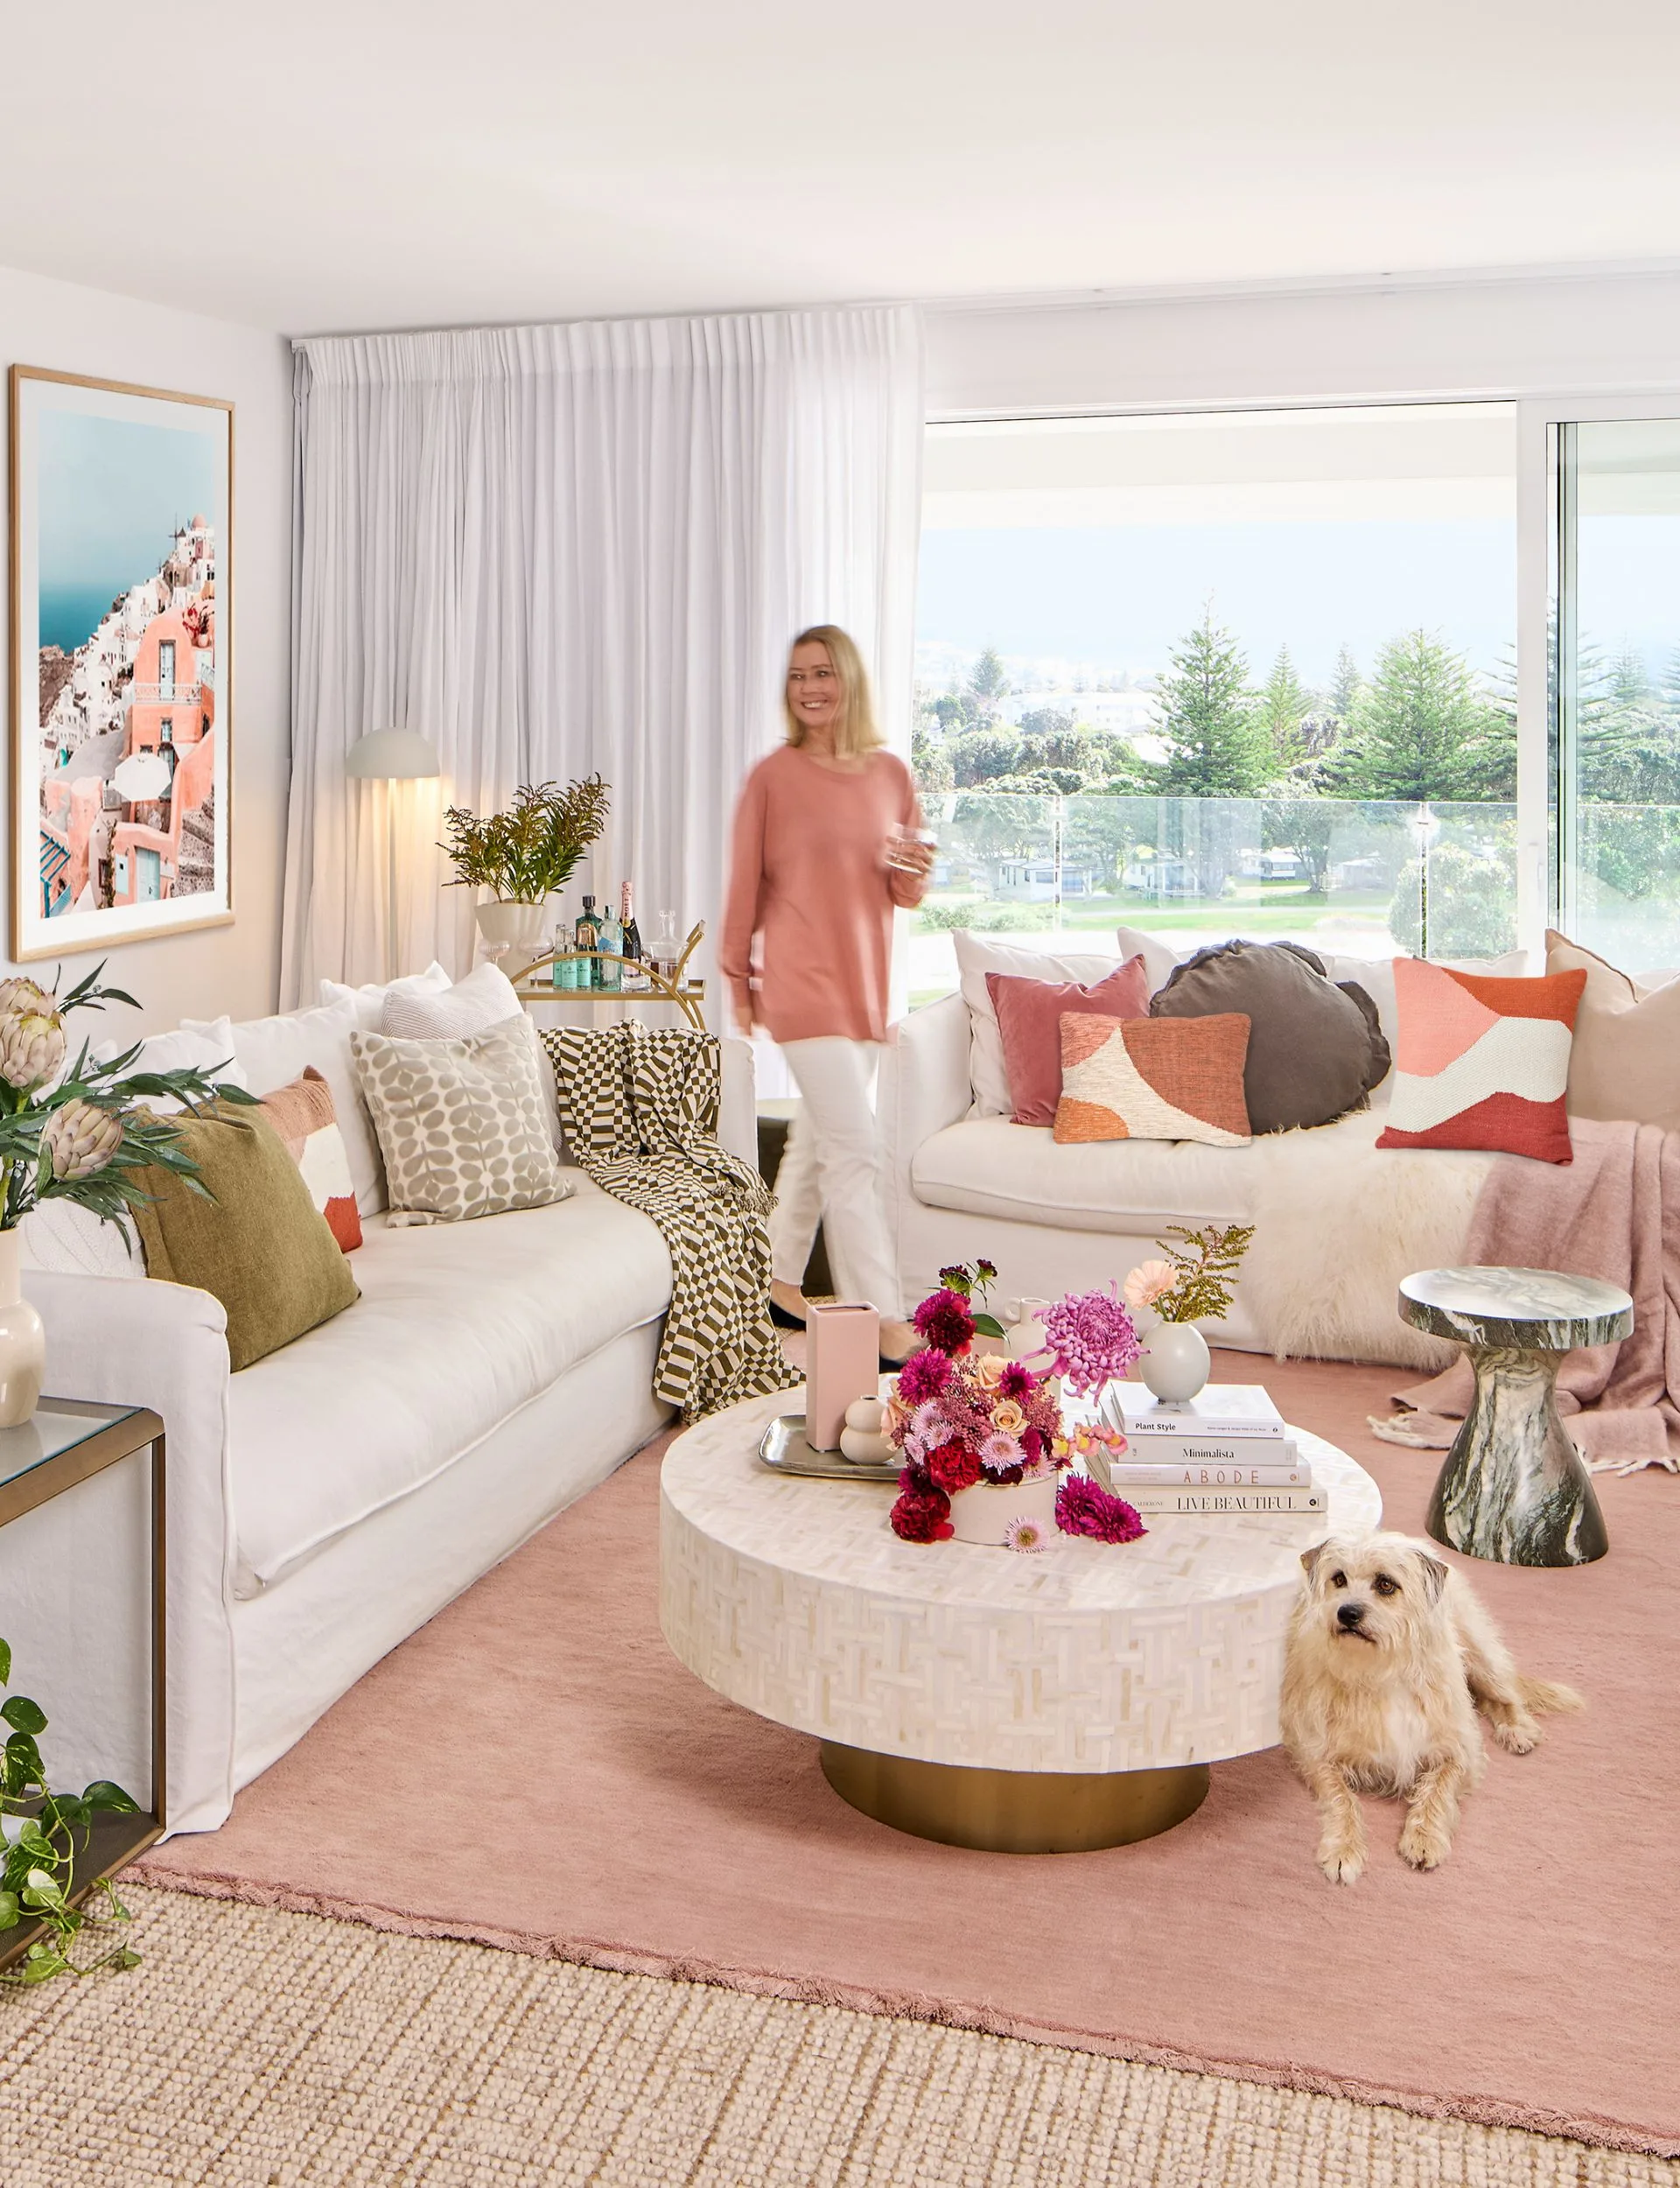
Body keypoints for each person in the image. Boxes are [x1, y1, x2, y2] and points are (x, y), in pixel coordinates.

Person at [721, 625, 933, 1363]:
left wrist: (914, 870)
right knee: (856, 1150)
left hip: (863, 987)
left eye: (823, 674)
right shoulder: (772, 777)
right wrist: (736, 981)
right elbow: (744, 884)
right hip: (799, 984)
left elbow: (903, 891)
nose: (809, 688)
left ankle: (775, 1279)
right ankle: (881, 1318)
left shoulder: (890, 775)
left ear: (849, 682)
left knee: (817, 1143)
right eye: (796, 676)